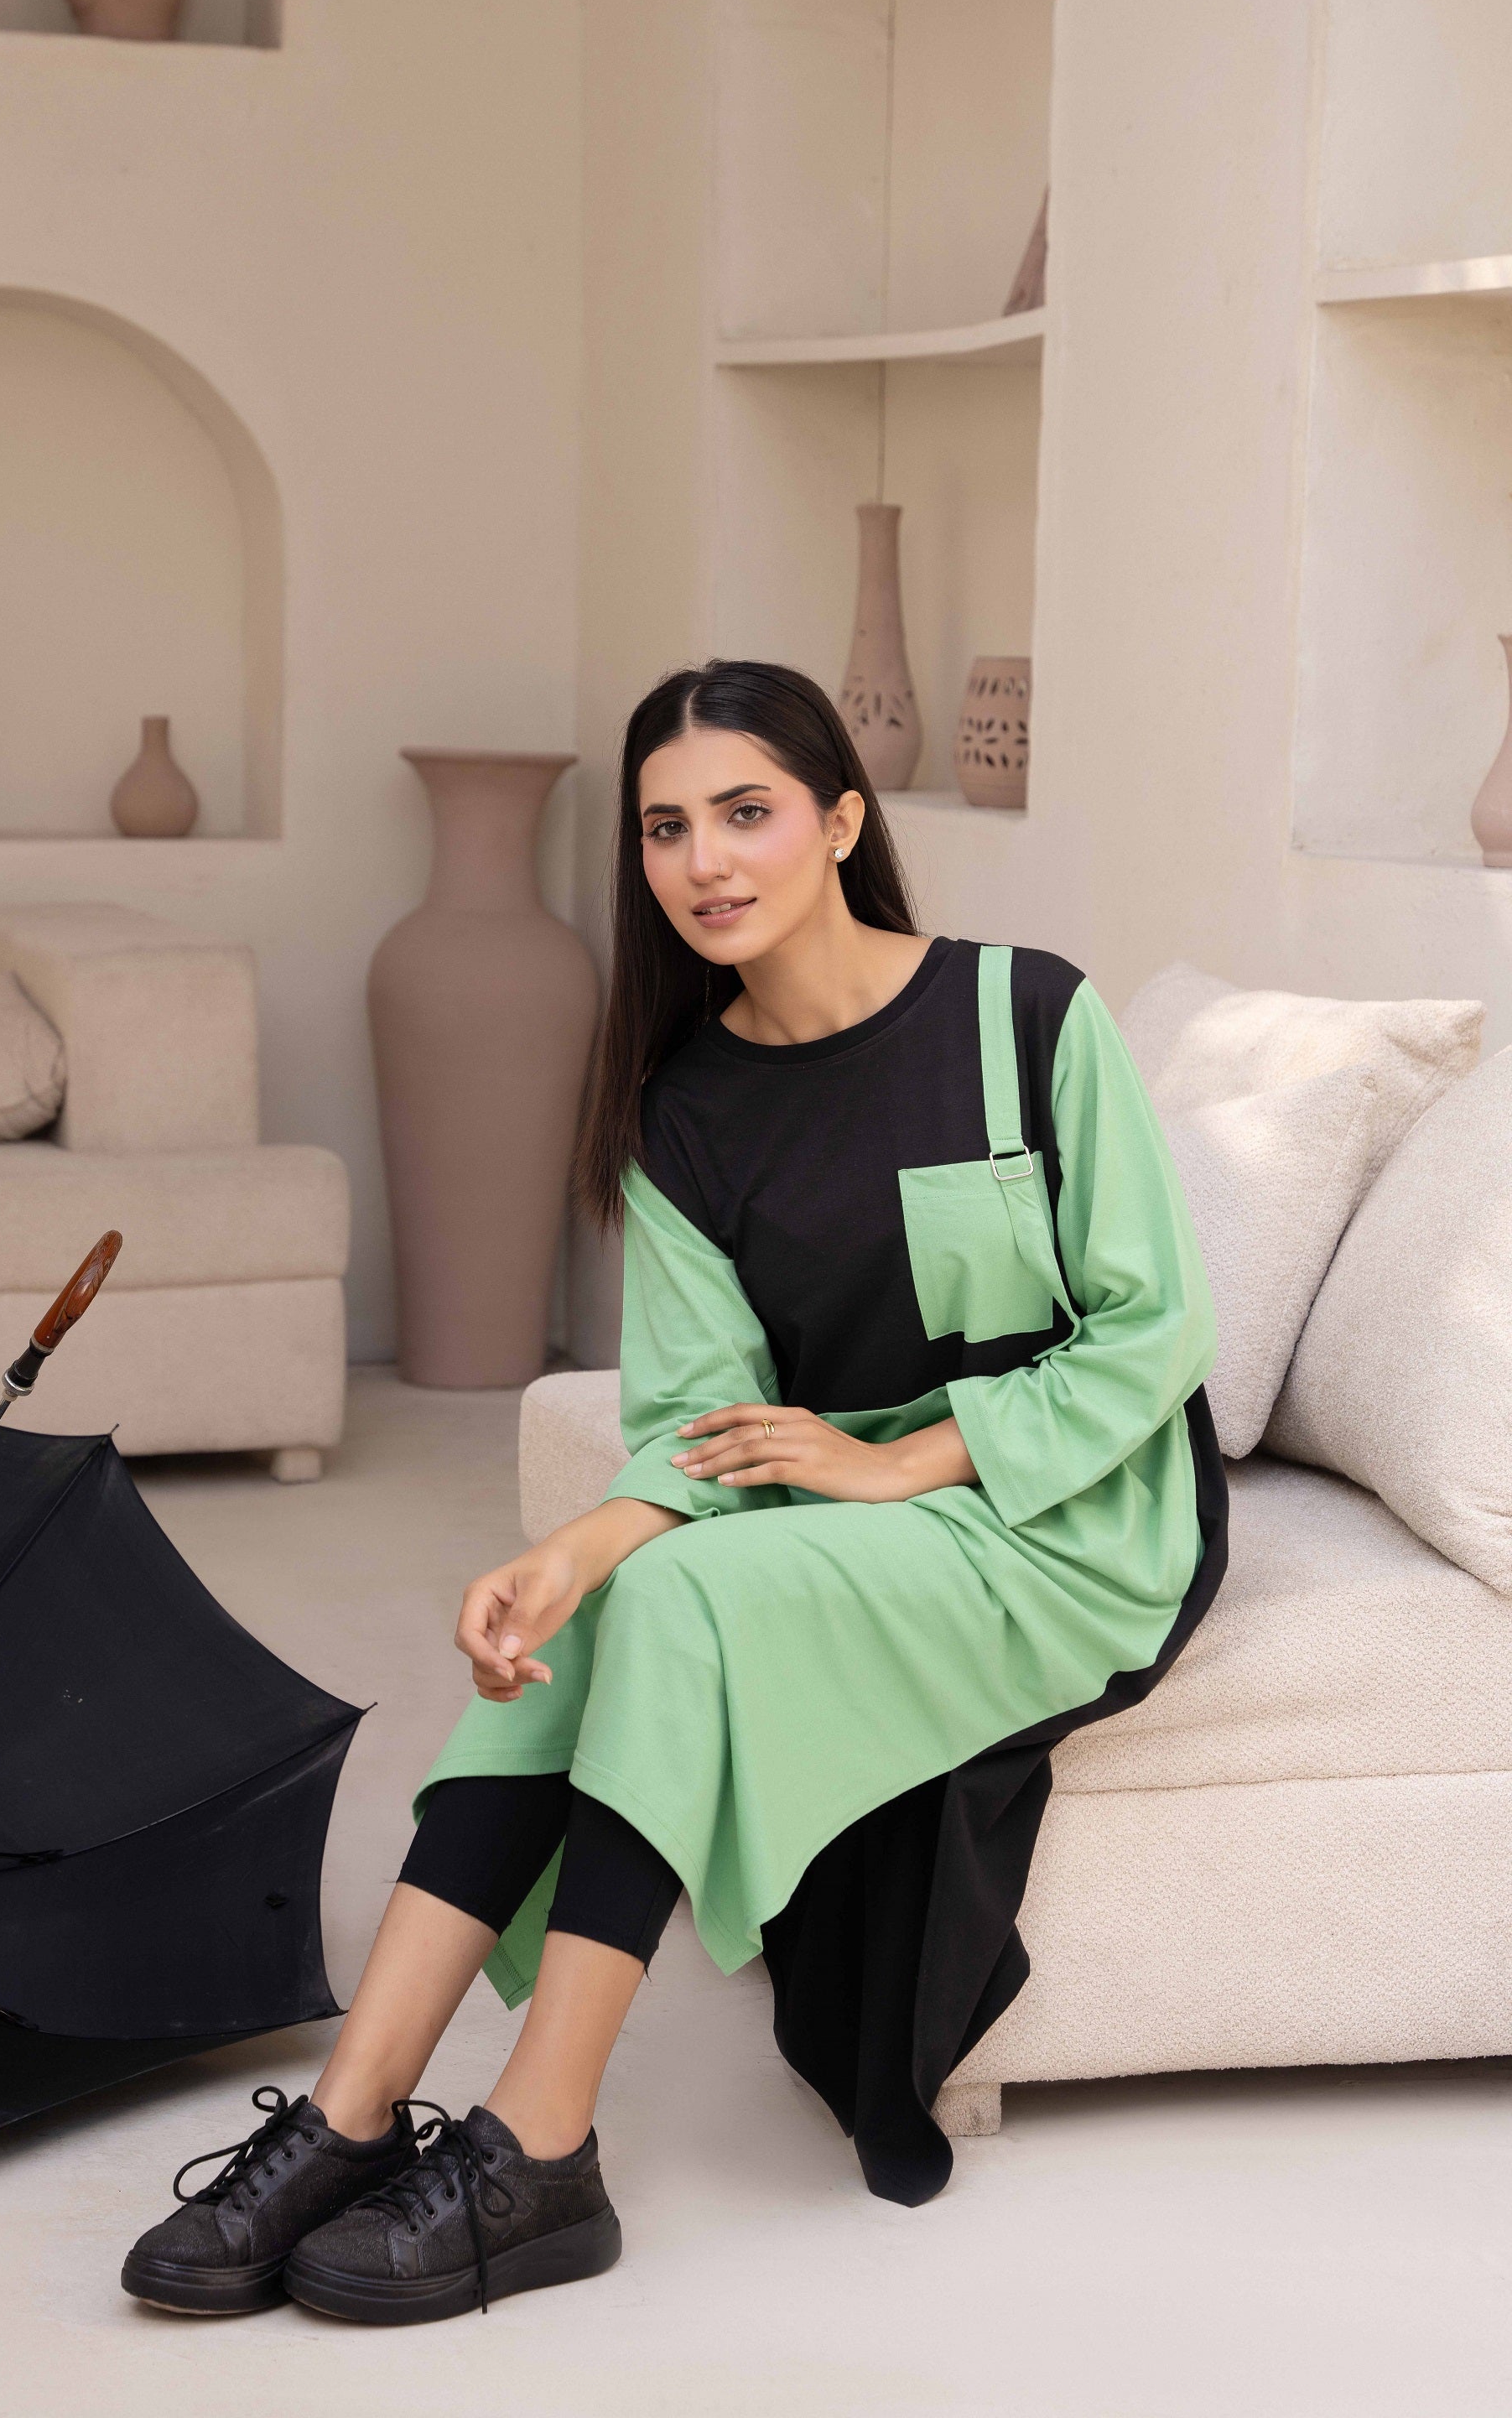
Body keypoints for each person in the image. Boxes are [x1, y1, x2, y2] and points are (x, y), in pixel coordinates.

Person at [122, 658, 1228, 2324]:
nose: (703, 861)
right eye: (664, 828)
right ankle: (352, 2113)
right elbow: (706, 1419)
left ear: (839, 823)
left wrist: (898, 1459)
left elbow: (1153, 1329)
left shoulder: (1024, 1017)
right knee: (593, 1612)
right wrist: (574, 1548)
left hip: (1067, 1517)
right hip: (836, 1517)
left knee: (686, 1600)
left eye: (745, 812)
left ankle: (541, 2141)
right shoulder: (684, 1110)